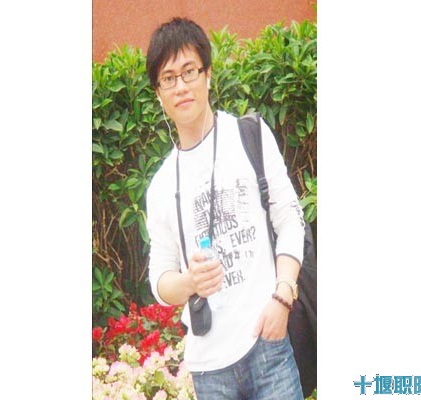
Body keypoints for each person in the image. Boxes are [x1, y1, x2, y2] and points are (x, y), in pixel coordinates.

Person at [146, 17, 306, 399]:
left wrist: (283, 296)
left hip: (268, 348)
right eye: (168, 78)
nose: (180, 86)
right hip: (209, 370)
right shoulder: (161, 185)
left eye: (189, 71)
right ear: (158, 94)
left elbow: (290, 219)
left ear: (208, 75)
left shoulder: (249, 135)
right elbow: (160, 278)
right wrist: (189, 283)